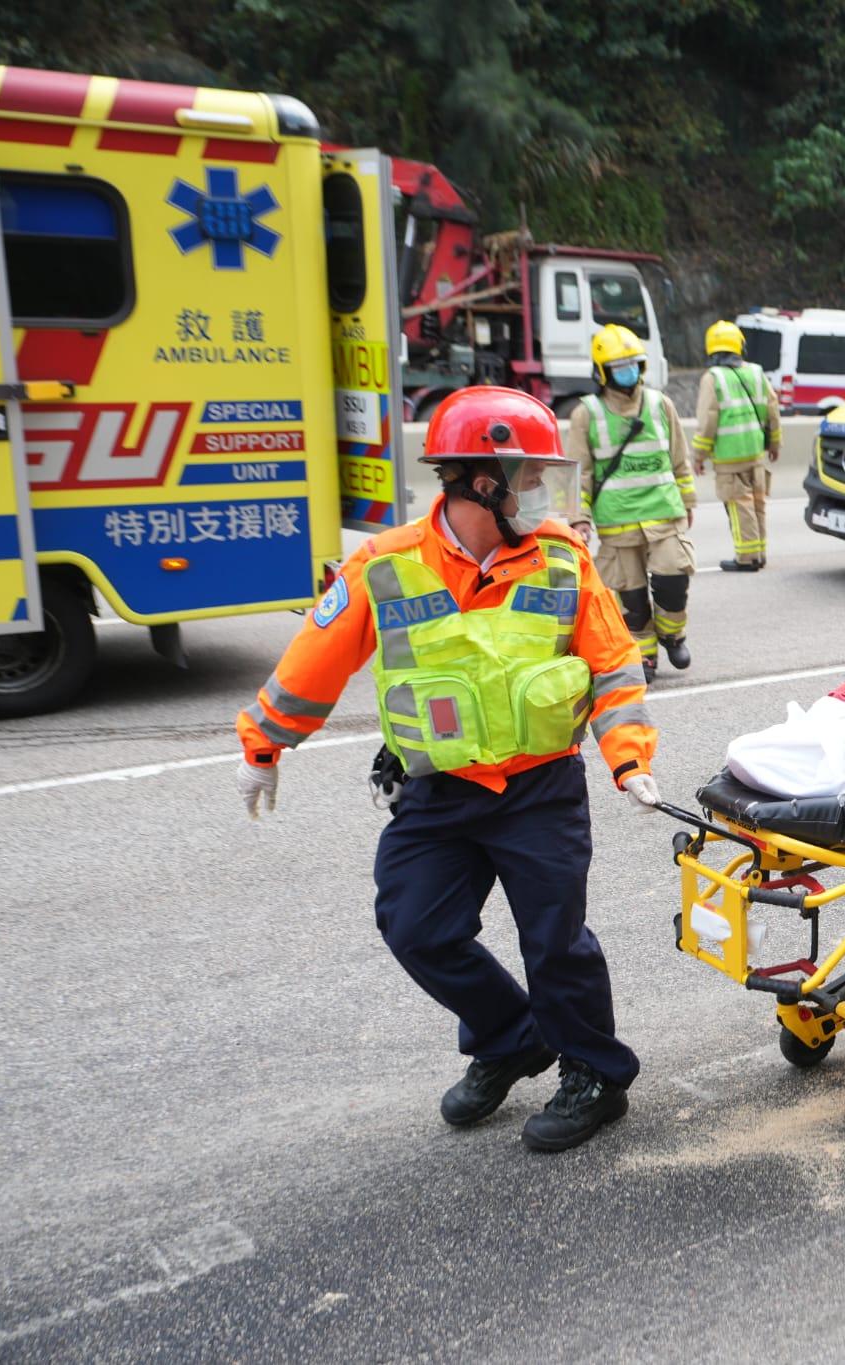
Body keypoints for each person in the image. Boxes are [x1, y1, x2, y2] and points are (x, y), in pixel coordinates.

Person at [233, 386, 658, 1153]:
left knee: (556, 941)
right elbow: (311, 665)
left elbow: (614, 667)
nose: (542, 493)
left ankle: (596, 1073)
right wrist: (263, 746)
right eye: (529, 477)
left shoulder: (561, 560)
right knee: (415, 923)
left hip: (539, 788)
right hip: (439, 788)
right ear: (481, 483)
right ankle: (510, 1036)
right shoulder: (386, 567)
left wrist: (629, 761)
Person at [568, 323, 696, 680]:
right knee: (631, 598)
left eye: (633, 364)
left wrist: (688, 500)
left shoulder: (660, 404)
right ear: (602, 372)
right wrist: (579, 518)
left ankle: (672, 634)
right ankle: (644, 654)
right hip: (617, 521)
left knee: (673, 580)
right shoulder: (586, 414)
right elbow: (578, 471)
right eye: (617, 367)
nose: (627, 373)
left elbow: (679, 458)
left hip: (663, 512)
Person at [690, 319, 780, 572]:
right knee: (757, 504)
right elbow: (773, 411)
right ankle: (759, 553)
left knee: (740, 506)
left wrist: (699, 456)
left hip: (730, 458)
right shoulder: (756, 372)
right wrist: (774, 443)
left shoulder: (713, 378)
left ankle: (746, 558)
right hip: (755, 453)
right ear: (739, 346)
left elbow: (708, 419)